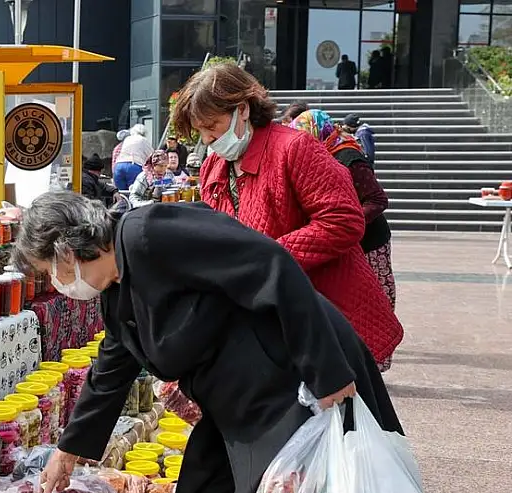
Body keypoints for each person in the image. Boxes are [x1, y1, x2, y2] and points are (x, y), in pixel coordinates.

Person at [21, 191, 399, 493]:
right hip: (237, 402)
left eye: (50, 270)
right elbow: (113, 363)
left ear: (68, 249)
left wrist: (327, 375)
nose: (55, 284)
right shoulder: (116, 288)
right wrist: (68, 451)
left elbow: (273, 264)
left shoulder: (149, 232)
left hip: (294, 376)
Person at [170, 61, 402, 375]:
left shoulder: (294, 148)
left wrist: (270, 256)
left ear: (243, 109)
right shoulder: (215, 167)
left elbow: (343, 220)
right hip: (267, 316)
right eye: (200, 130)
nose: (208, 138)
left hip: (324, 312)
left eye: (213, 125)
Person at [290, 110, 395, 363]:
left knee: (373, 299)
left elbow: (378, 199)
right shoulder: (319, 156)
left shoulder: (348, 156)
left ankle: (374, 361)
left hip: (370, 241)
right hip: (346, 241)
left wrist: (347, 218)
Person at [113, 124, 154, 191]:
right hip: (134, 165)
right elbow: (152, 155)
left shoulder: (127, 139)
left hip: (118, 166)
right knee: (134, 192)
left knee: (121, 193)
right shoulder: (143, 140)